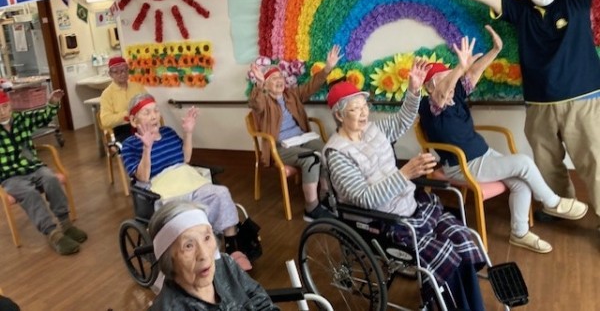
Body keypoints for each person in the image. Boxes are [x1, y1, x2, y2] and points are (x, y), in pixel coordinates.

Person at [445, 0, 600, 229]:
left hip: (582, 99)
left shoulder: (573, 0)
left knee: (595, 162)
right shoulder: (522, 10)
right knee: (547, 162)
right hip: (539, 103)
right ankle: (558, 208)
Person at [323, 62, 487, 311]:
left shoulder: (373, 129)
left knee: (463, 238)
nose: (364, 113)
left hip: (409, 206)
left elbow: (402, 121)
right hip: (382, 222)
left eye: (365, 106)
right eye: (355, 109)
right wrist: (405, 174)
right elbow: (365, 199)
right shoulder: (337, 153)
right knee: (447, 257)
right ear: (339, 115)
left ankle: (471, 303)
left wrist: (413, 91)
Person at [418, 28, 588, 253]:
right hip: (462, 165)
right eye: (443, 79)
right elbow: (441, 94)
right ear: (429, 87)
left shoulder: (455, 95)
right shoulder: (430, 106)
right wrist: (459, 67)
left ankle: (519, 233)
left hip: (483, 156)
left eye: (450, 76)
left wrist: (495, 50)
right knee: (523, 163)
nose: (451, 83)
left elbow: (473, 74)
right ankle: (552, 202)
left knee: (521, 183)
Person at [120, 93, 252, 270]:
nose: (153, 116)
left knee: (221, 193)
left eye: (156, 110)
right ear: (134, 120)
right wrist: (147, 147)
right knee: (191, 214)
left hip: (188, 180)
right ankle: (204, 257)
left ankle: (233, 249)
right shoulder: (129, 145)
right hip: (163, 192)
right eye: (147, 112)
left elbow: (186, 158)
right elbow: (142, 177)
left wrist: (188, 132)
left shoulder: (168, 132)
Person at [248, 46, 341, 221]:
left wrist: (328, 68)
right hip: (280, 146)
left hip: (301, 138)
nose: (279, 80)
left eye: (280, 77)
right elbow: (255, 104)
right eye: (274, 78)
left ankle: (324, 195)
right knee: (311, 159)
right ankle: (311, 208)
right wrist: (259, 85)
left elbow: (311, 86)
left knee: (327, 152)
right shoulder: (263, 101)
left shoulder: (291, 95)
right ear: (266, 84)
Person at [148, 201, 279, 311]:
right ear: (168, 260)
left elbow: (259, 299)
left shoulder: (225, 264)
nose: (204, 255)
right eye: (188, 246)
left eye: (207, 238)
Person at [0, 89, 86, 255]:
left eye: (4, 107)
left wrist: (52, 102)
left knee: (51, 179)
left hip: (34, 167)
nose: (2, 112)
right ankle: (53, 234)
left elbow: (45, 116)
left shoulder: (22, 119)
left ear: (10, 105)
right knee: (30, 193)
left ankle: (66, 224)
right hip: (10, 176)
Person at [100, 56, 147, 145]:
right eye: (116, 72)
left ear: (128, 71)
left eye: (124, 70)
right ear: (110, 74)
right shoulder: (107, 94)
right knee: (135, 147)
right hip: (123, 130)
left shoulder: (137, 86)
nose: (122, 74)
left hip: (143, 125)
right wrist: (128, 114)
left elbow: (148, 104)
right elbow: (105, 121)